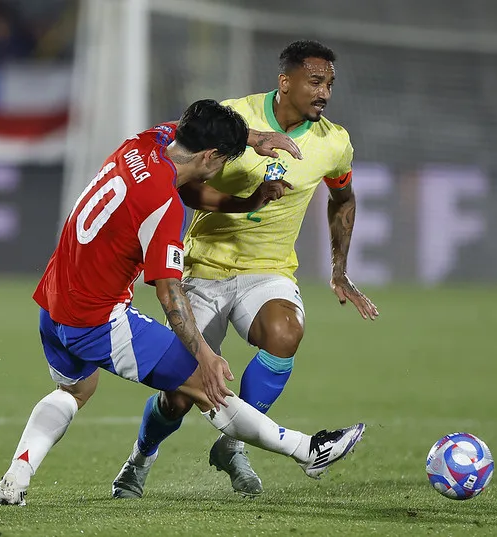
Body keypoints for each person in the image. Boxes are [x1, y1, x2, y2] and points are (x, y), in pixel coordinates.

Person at [0, 99, 365, 506]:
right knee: (209, 389)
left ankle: (16, 477)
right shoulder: (164, 207)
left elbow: (183, 125)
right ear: (210, 156)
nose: (224, 170)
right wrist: (205, 355)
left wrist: (256, 141)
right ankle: (308, 450)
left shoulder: (143, 144)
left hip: (53, 302)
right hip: (99, 321)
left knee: (74, 392)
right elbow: (169, 294)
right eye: (225, 161)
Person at [112, 40, 378, 499]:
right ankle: (140, 458)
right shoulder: (235, 118)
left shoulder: (334, 143)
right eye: (315, 82)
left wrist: (339, 269)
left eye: (330, 84)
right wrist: (247, 202)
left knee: (285, 332)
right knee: (177, 396)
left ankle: (232, 443)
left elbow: (343, 197)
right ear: (285, 81)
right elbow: (184, 185)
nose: (324, 94)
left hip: (269, 270)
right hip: (204, 265)